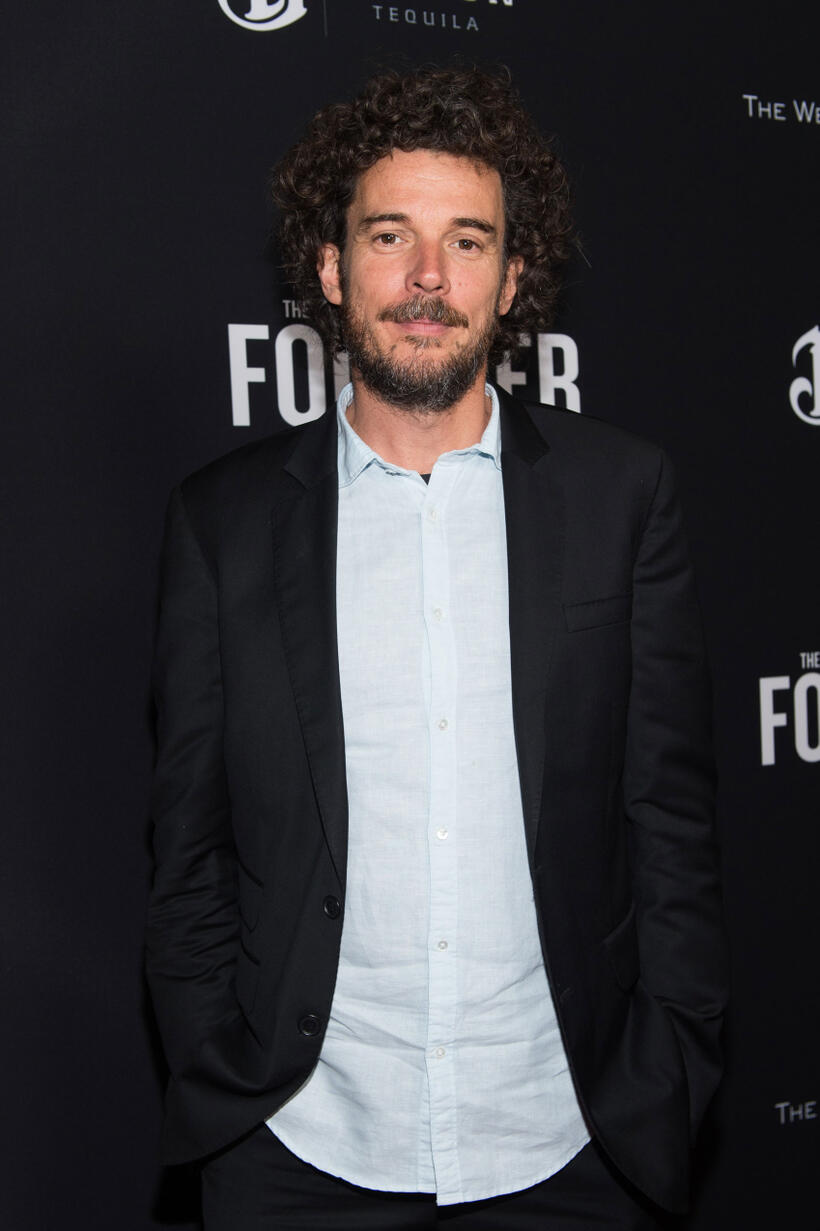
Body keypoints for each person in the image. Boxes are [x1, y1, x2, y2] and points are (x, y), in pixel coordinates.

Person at [146, 65, 728, 1230]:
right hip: (302, 1147)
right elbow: (188, 849)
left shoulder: (624, 496)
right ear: (330, 268)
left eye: (466, 241)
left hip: (564, 1141)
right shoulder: (224, 523)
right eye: (388, 236)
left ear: (512, 278)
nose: (426, 278)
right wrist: (225, 1082)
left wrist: (669, 1065)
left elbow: (667, 822)